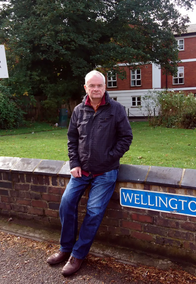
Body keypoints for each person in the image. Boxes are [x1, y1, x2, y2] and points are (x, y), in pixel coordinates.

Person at [47, 70, 133, 276]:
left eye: (99, 86)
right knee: (67, 204)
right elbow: (72, 139)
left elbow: (126, 137)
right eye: (92, 86)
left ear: (105, 87)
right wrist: (74, 163)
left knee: (94, 212)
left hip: (105, 173)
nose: (96, 89)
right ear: (85, 87)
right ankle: (65, 248)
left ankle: (78, 255)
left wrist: (109, 157)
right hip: (81, 171)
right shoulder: (78, 110)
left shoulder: (116, 110)